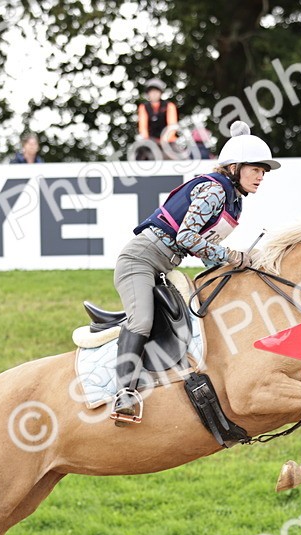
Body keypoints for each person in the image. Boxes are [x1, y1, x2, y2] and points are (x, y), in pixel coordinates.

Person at [109, 121, 279, 425]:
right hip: (139, 260)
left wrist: (238, 269)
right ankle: (125, 393)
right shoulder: (215, 190)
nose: (261, 175)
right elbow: (187, 238)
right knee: (143, 320)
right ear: (236, 167)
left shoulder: (233, 200)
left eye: (264, 171)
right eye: (256, 169)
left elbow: (203, 249)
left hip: (164, 266)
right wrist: (233, 256)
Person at [135, 78, 179, 159]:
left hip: (168, 141)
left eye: (156, 91)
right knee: (140, 153)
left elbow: (172, 126)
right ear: (148, 93)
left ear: (160, 93)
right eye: (152, 92)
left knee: (179, 156)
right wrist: (148, 140)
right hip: (151, 140)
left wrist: (164, 140)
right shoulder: (143, 107)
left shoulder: (169, 106)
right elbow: (143, 127)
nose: (154, 94)